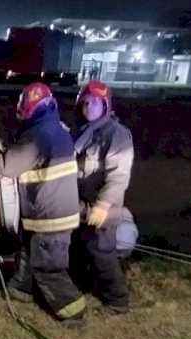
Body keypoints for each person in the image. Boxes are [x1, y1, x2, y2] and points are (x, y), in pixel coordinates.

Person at [0, 82, 86, 327]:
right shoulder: (55, 129)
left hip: (51, 217)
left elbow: (8, 166)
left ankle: (74, 311)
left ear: (26, 109)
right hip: (53, 212)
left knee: (48, 267)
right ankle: (22, 290)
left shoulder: (37, 135)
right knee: (29, 253)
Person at [71, 81, 134, 314]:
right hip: (82, 207)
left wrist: (103, 206)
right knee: (80, 248)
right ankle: (83, 287)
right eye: (85, 102)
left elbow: (118, 177)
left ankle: (118, 300)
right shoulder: (83, 132)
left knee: (102, 254)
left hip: (103, 210)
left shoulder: (116, 135)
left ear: (106, 105)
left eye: (95, 102)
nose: (88, 107)